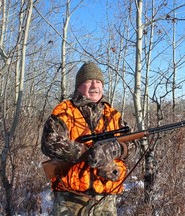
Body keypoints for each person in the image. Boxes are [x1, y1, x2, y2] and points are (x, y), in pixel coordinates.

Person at [41, 62, 136, 215]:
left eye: (98, 81)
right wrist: (87, 152)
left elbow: (133, 145)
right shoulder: (64, 111)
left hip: (106, 198)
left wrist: (115, 149)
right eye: (89, 81)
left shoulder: (113, 115)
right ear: (79, 85)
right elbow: (50, 143)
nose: (94, 85)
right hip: (71, 199)